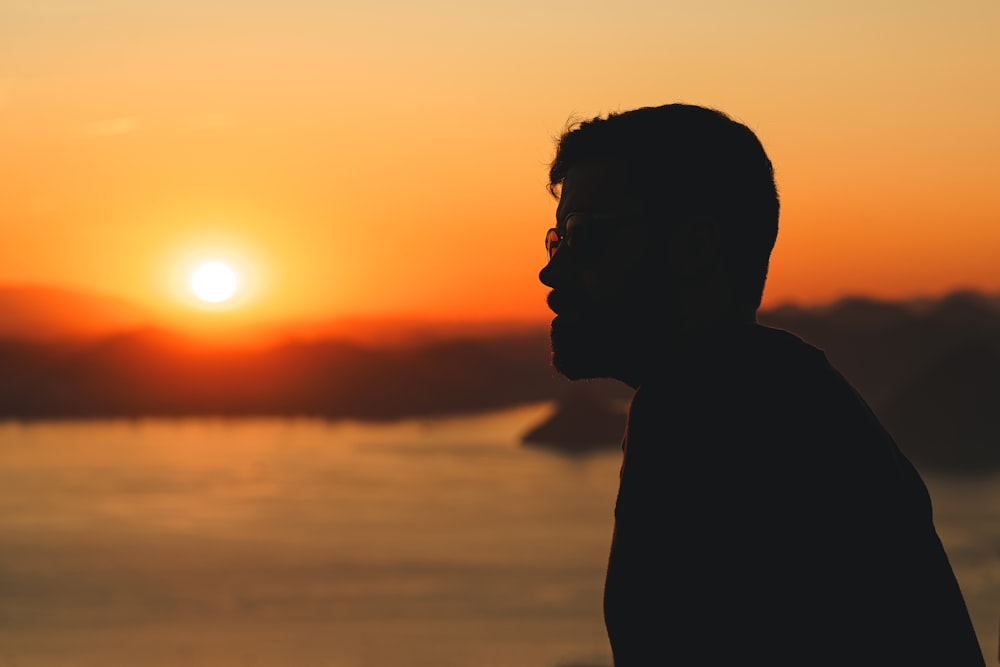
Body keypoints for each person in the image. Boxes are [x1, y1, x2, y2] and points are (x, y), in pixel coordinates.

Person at [537, 104, 985, 666]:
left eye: (583, 236)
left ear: (695, 247)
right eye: (556, 239)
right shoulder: (782, 395)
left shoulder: (711, 410)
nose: (551, 271)